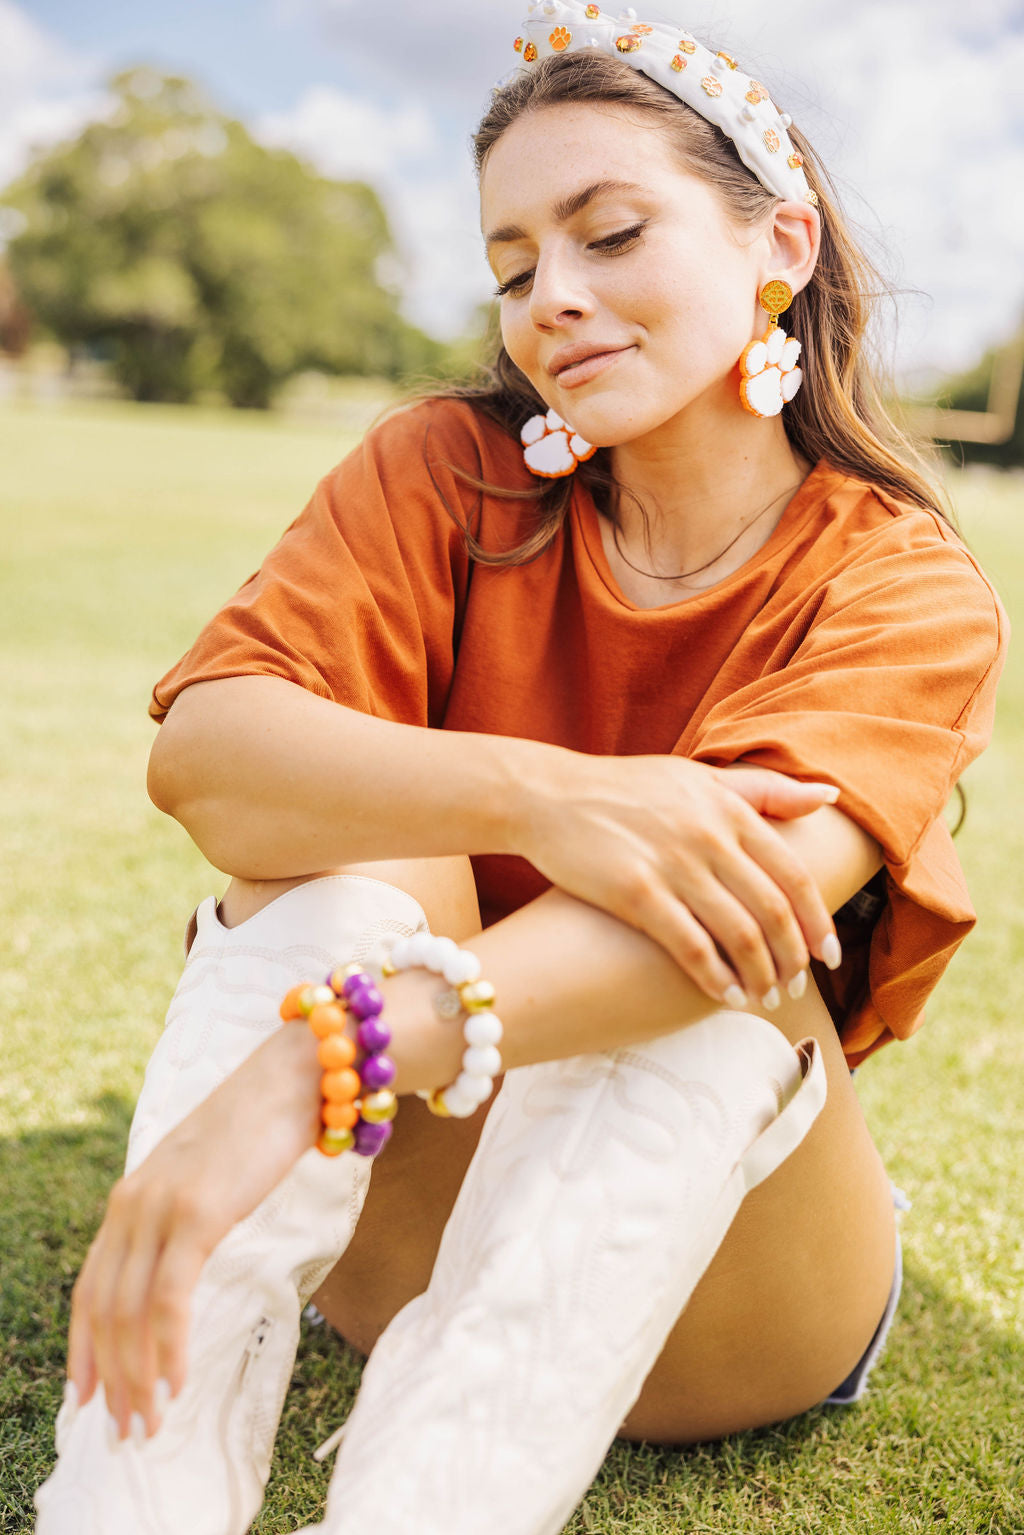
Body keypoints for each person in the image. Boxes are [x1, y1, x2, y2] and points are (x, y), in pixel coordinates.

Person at [35, 5, 1009, 1534]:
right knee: (335, 853)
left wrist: (314, 1060)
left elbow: (741, 914)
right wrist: (548, 794)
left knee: (718, 941)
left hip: (730, 1310)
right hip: (407, 1236)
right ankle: (130, 1507)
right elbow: (210, 755)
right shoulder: (443, 468)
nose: (552, 299)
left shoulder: (904, 584)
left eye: (610, 233)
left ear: (783, 244)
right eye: (511, 268)